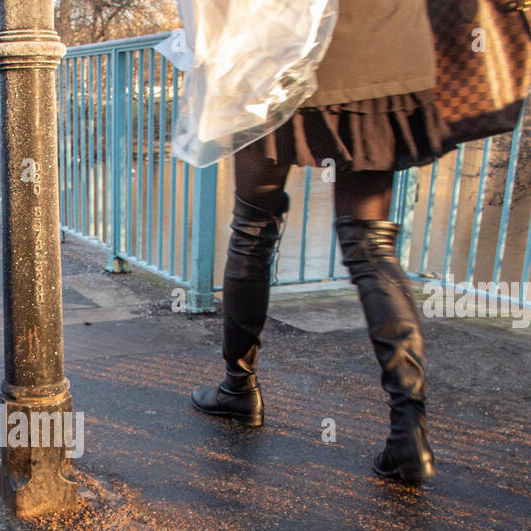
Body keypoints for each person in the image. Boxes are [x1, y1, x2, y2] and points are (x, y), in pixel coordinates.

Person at [191, 0, 446, 486]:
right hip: (385, 50)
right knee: (370, 242)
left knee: (253, 227)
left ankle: (239, 388)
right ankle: (407, 431)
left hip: (278, 54)